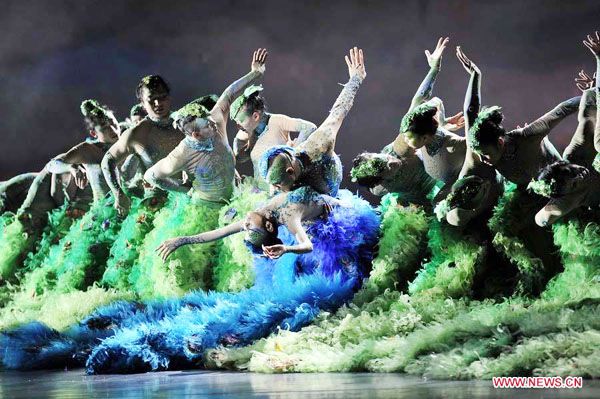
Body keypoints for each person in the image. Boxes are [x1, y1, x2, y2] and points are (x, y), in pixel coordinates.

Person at [0, 187, 380, 374]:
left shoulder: (289, 212)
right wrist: (180, 240)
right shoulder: (252, 218)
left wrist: (285, 251)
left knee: (276, 306)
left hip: (335, 238)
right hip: (310, 244)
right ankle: (103, 337)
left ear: (268, 225)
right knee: (223, 305)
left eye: (263, 236)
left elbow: (306, 242)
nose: (257, 234)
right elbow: (213, 236)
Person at [144, 49, 268, 203]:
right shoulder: (182, 153)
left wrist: (255, 73)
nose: (213, 124)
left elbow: (229, 94)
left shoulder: (215, 120)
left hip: (235, 200)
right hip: (209, 211)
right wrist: (182, 189)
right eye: (208, 125)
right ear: (196, 135)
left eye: (210, 119)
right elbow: (151, 176)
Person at [257, 47, 366, 196]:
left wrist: (356, 79)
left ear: (290, 171)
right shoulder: (283, 180)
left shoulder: (319, 144)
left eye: (277, 186)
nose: (275, 190)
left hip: (329, 189)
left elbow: (337, 113)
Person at [101, 75, 185, 215]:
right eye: (152, 100)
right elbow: (107, 161)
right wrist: (118, 194)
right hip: (158, 208)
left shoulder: (185, 121)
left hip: (192, 199)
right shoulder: (137, 133)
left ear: (169, 97)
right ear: (142, 103)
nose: (158, 103)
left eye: (162, 97)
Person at [442, 47, 504, 227]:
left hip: (495, 211)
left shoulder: (477, 156)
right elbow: (470, 113)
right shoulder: (476, 162)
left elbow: (471, 113)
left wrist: (475, 75)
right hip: (478, 222)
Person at [400, 38, 467, 186]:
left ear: (425, 137)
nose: (405, 139)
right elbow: (418, 99)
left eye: (409, 137)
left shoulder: (453, 144)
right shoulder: (413, 125)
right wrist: (434, 70)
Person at [231, 85, 316, 188]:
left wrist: (293, 152)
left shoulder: (277, 121)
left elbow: (310, 128)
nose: (238, 125)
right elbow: (240, 158)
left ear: (255, 116)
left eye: (240, 121)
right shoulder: (251, 132)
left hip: (281, 190)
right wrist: (241, 136)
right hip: (261, 194)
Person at [46, 100, 120, 203]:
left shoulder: (128, 138)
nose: (113, 129)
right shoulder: (88, 149)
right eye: (105, 128)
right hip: (107, 211)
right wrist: (71, 168)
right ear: (94, 134)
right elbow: (52, 165)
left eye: (113, 123)